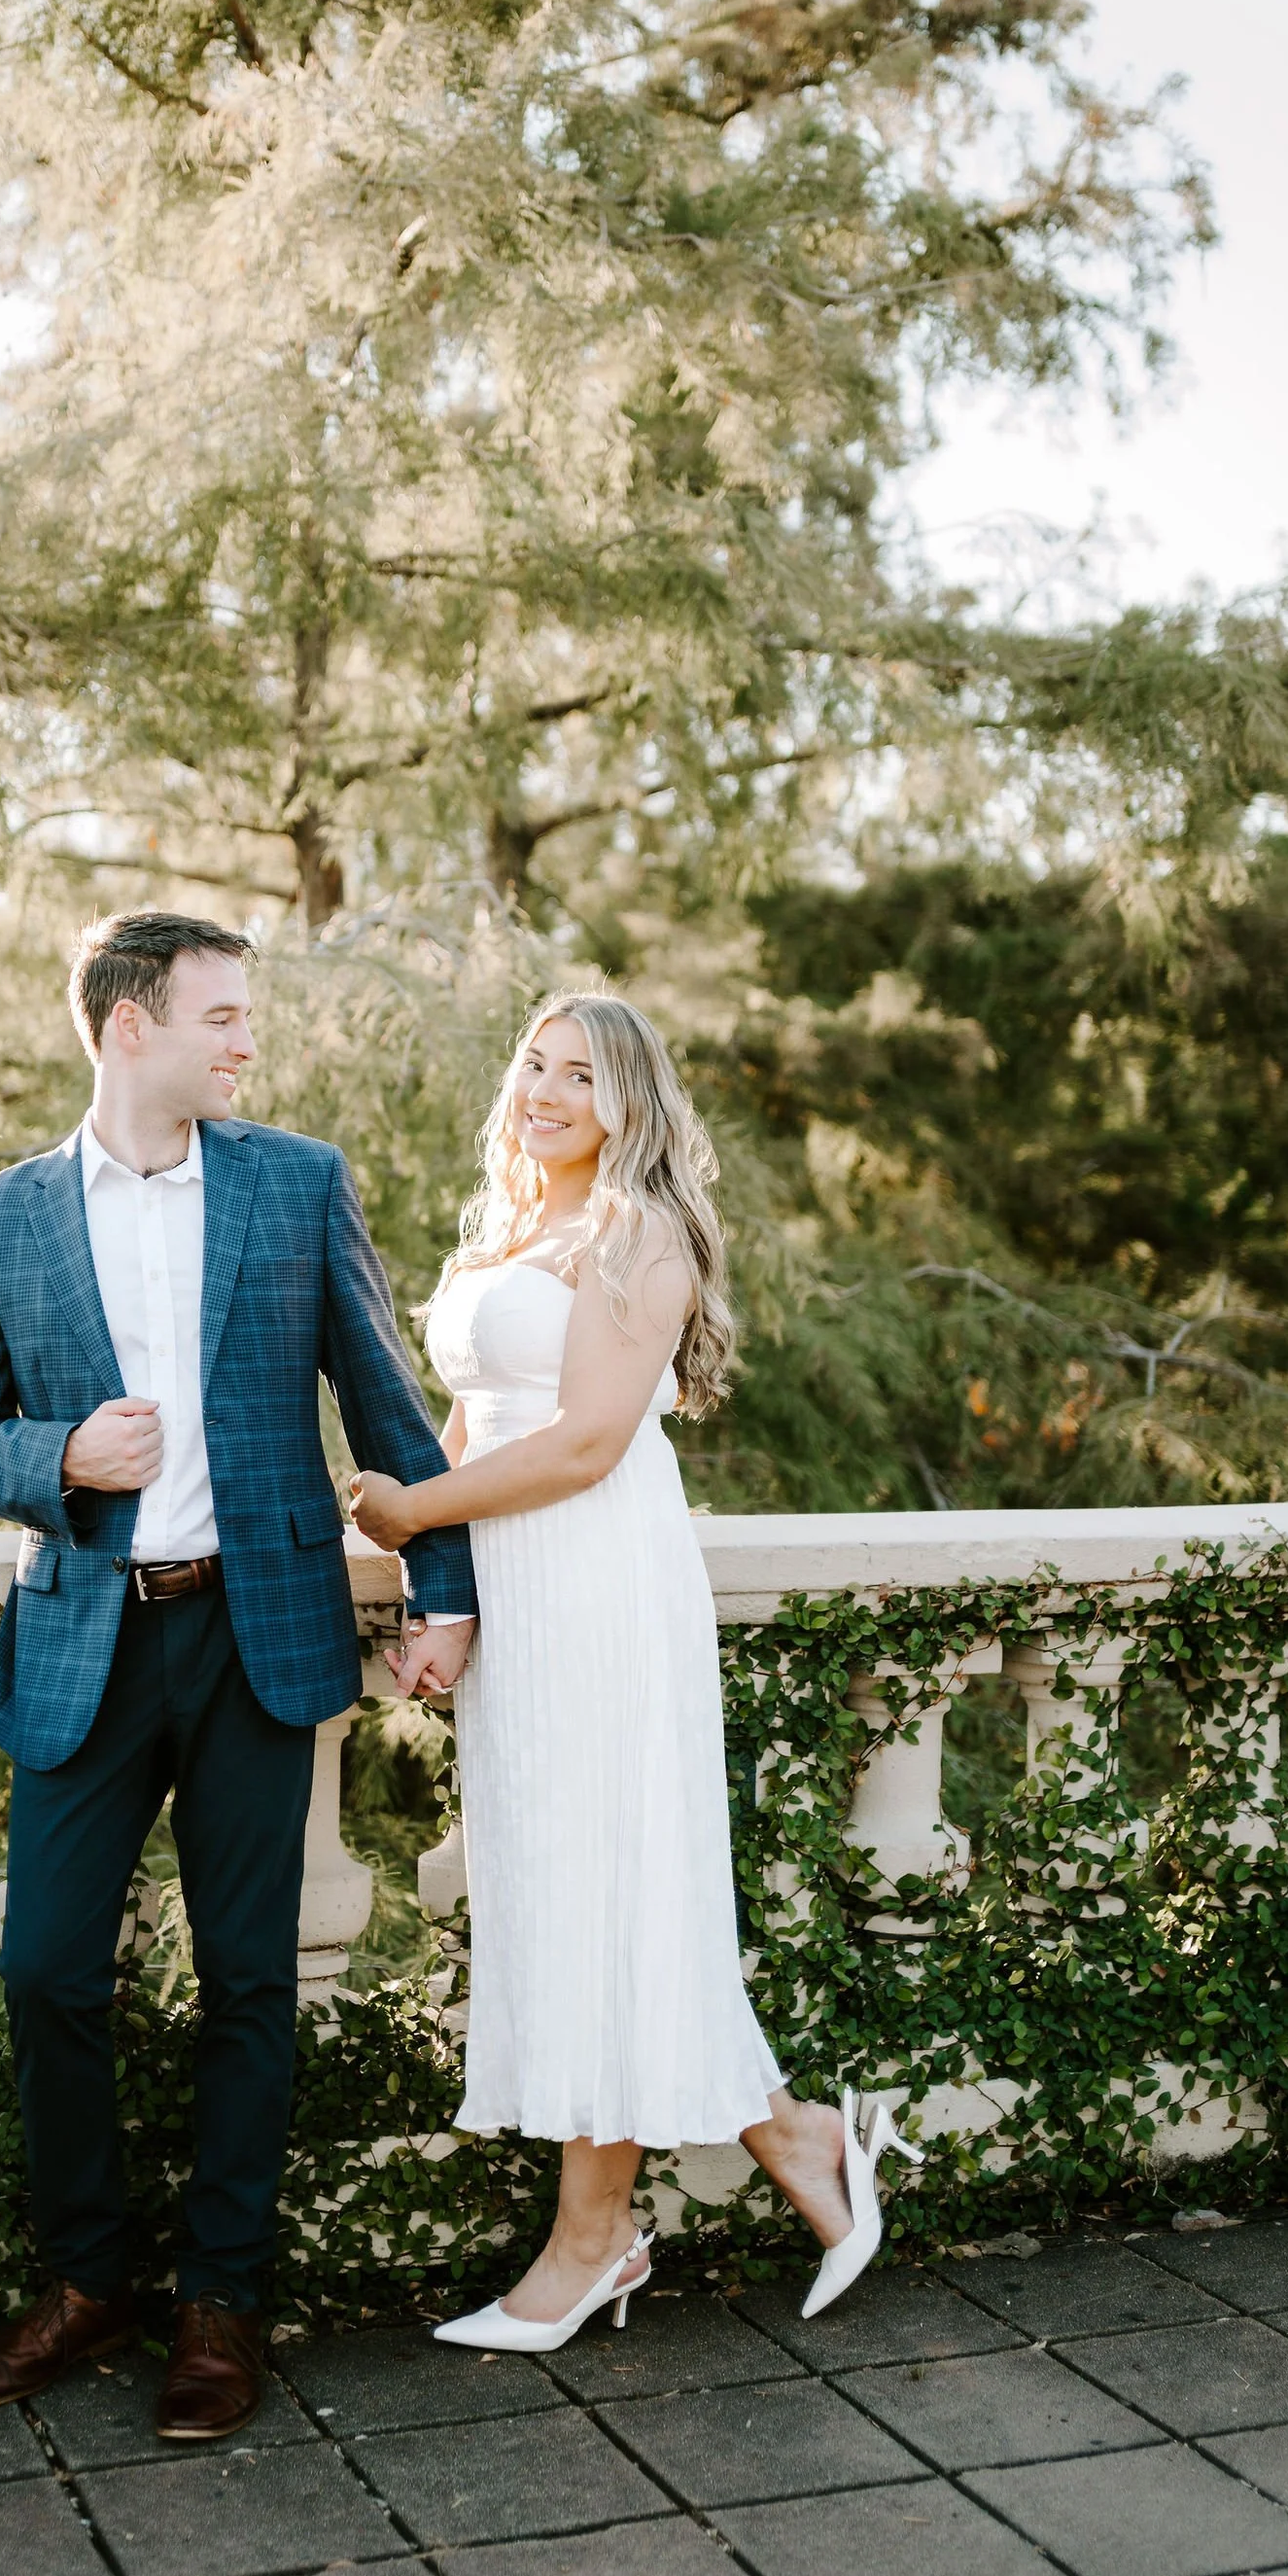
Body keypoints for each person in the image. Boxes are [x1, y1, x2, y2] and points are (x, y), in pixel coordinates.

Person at [0, 912, 475, 2433]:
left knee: (249, 1981)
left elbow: (386, 1402)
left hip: (259, 1634)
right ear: (127, 1028)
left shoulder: (298, 1186)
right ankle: (90, 2286)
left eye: (247, 1018)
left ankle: (221, 2304)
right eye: (220, 1016)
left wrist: (446, 1587)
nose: (247, 1042)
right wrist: (63, 1458)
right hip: (88, 1636)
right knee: (43, 1974)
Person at [351, 991, 918, 2349]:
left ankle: (596, 2241)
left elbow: (589, 1442)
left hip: (599, 1578)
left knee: (606, 1893)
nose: (547, 1091)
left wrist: (416, 1517)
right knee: (559, 1888)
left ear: (629, 1107)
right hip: (520, 1595)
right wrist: (448, 1597)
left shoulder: (637, 1232)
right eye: (535, 1064)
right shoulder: (506, 1229)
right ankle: (797, 2141)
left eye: (582, 1076)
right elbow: (472, 1423)